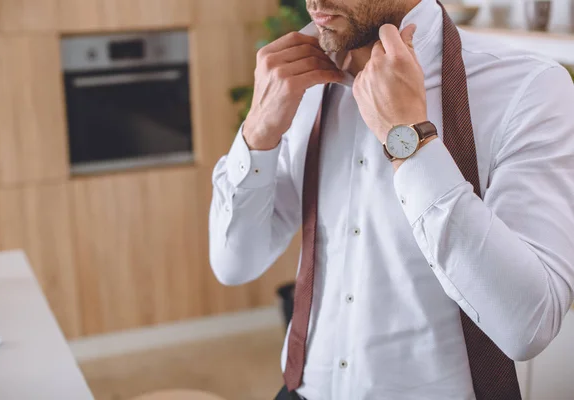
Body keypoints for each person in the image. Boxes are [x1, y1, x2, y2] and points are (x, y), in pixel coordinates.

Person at [209, 0, 574, 399]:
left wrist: (411, 142)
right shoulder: (296, 80)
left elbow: (529, 326)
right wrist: (257, 133)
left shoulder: (528, 88)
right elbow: (235, 264)